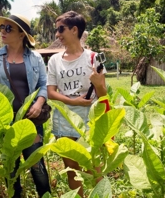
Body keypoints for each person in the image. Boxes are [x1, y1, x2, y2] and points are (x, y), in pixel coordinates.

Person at [0, 14, 51, 198]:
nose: (3, 32)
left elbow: (44, 84)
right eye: (2, 28)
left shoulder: (35, 58)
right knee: (11, 170)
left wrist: (39, 103)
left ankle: (45, 195)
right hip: (4, 122)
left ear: (22, 34)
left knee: (37, 167)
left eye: (9, 28)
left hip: (30, 121)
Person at [47, 11, 107, 196]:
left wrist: (98, 84)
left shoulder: (93, 58)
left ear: (74, 30)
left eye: (61, 29)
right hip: (65, 120)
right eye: (56, 30)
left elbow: (103, 94)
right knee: (71, 167)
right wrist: (74, 101)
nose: (57, 34)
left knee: (93, 166)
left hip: (90, 119)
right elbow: (51, 93)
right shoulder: (54, 60)